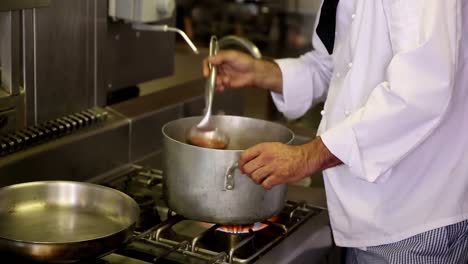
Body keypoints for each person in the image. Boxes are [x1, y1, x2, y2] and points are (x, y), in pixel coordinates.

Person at [202, 0, 468, 263]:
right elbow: (334, 65)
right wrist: (261, 72)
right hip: (368, 213)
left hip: (412, 222)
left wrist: (307, 157)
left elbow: (419, 92)